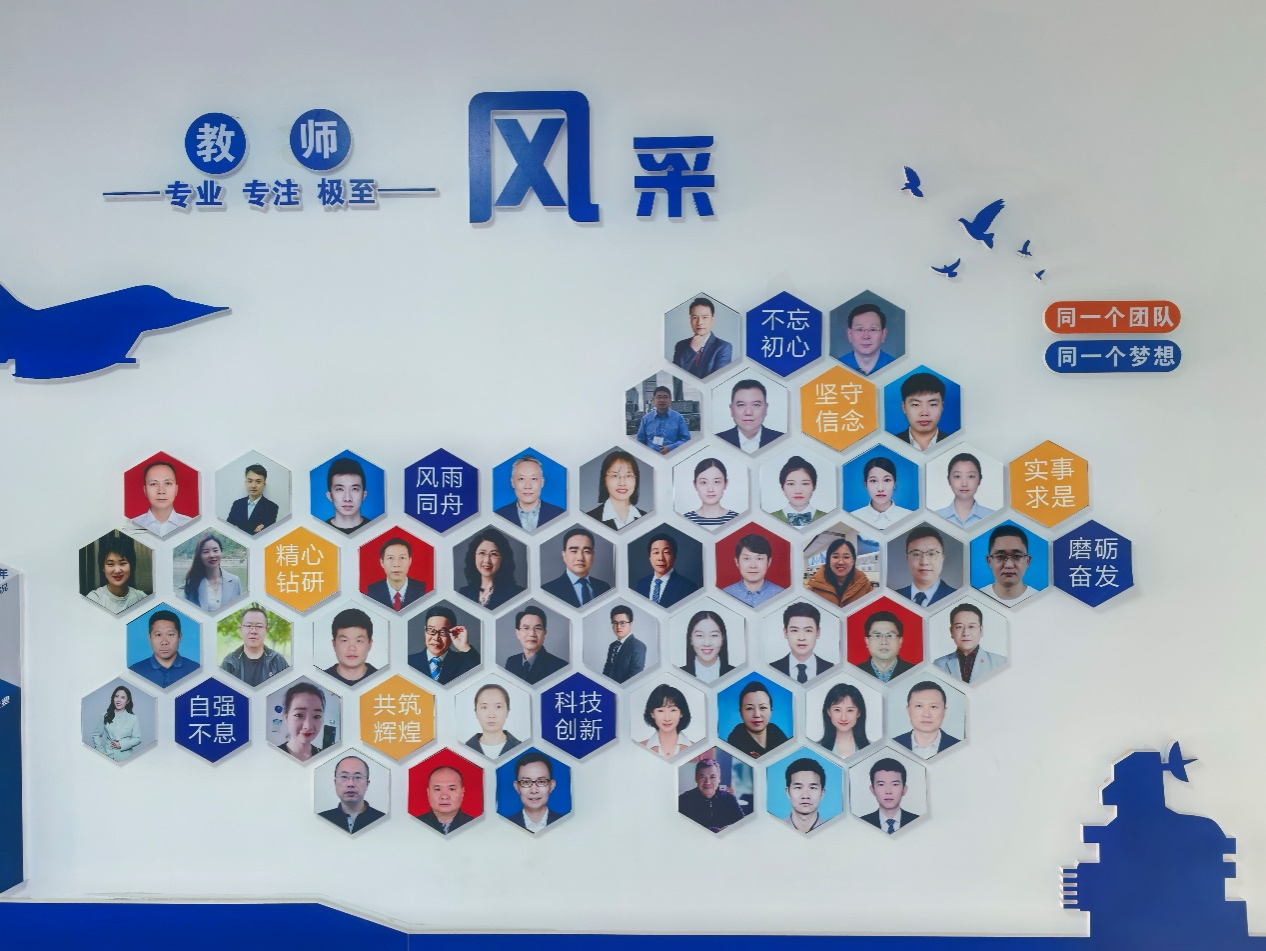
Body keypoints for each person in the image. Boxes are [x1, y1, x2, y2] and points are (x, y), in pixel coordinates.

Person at [933, 601, 1007, 683]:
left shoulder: (1001, 662)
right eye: (959, 627)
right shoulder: (939, 664)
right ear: (951, 631)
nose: (966, 633)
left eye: (971, 626)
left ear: (981, 630)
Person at [407, 605, 480, 684]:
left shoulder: (465, 663)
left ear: (452, 633)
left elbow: (482, 673)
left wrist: (464, 647)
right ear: (425, 630)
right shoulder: (408, 662)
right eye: (431, 630)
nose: (436, 638)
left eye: (443, 632)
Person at [219, 605, 290, 686]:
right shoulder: (230, 662)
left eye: (259, 626)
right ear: (241, 630)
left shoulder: (277, 660)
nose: (253, 631)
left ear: (266, 630)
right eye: (248, 626)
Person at [457, 527, 525, 610]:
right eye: (482, 553)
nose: (487, 560)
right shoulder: (464, 593)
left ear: (503, 558)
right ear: (474, 556)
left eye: (494, 554)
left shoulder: (516, 594)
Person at [128, 609, 200, 688]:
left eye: (170, 634)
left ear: (179, 637)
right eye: (158, 635)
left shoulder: (196, 670)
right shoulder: (134, 671)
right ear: (150, 637)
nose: (164, 642)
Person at [541, 527, 612, 607]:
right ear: (564, 555)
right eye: (574, 551)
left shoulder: (604, 587)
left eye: (586, 551)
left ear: (593, 555)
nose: (580, 558)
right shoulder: (547, 590)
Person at [494, 454, 565, 532]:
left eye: (533, 479)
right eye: (521, 479)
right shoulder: (498, 516)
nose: (527, 486)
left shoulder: (560, 514)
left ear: (542, 482)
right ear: (513, 482)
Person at [84, 531, 149, 614]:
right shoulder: (95, 599)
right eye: (110, 564)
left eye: (122, 563)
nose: (117, 570)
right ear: (103, 568)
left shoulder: (141, 598)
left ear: (131, 566)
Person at [894, 680, 961, 759]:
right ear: (908, 710)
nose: (926, 715)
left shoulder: (960, 747)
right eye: (919, 706)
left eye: (933, 707)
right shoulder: (893, 745)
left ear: (944, 711)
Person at [318, 755, 385, 834]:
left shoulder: (383, 820)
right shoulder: (320, 820)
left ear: (367, 784)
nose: (351, 784)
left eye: (357, 777)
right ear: (335, 782)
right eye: (344, 777)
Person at [770, 601, 834, 683]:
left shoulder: (831, 669)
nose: (801, 638)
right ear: (785, 632)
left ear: (818, 632)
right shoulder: (772, 669)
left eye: (808, 630)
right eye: (794, 630)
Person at [894, 525, 957, 607]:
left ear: (942, 558)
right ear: (907, 559)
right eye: (916, 554)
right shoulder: (893, 597)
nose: (924, 562)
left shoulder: (958, 597)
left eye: (931, 554)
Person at [677, 756, 745, 832]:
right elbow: (678, 829)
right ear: (696, 778)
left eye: (712, 777)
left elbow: (742, 825)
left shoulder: (729, 798)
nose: (708, 782)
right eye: (702, 777)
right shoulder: (684, 800)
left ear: (719, 778)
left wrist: (730, 828)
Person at [671, 296, 733, 378]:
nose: (700, 322)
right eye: (695, 317)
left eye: (705, 317)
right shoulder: (680, 345)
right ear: (690, 320)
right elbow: (675, 376)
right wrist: (691, 350)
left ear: (712, 320)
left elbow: (719, 378)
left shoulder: (723, 347)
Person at [724, 680, 789, 758]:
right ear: (741, 712)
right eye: (749, 708)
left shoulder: (777, 733)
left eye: (763, 707)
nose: (757, 715)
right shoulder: (733, 744)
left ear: (771, 710)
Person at [503, 606, 567, 685]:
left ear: (544, 633)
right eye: (526, 628)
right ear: (517, 633)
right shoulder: (511, 662)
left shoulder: (560, 667)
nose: (532, 634)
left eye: (537, 628)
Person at [181, 531, 242, 613]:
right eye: (206, 552)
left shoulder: (235, 581)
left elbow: (239, 610)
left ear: (221, 552)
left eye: (215, 550)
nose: (212, 555)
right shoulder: (192, 583)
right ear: (199, 556)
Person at [633, 532, 700, 607]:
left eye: (666, 552)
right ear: (650, 557)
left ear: (674, 557)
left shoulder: (688, 587)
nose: (661, 558)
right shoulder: (642, 584)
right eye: (656, 552)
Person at [716, 379, 783, 452]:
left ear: (766, 409)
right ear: (732, 409)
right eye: (741, 405)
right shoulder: (717, 441)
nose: (748, 412)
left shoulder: (782, 440)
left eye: (756, 405)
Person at [804, 537, 872, 608]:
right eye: (835, 557)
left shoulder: (865, 585)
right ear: (829, 560)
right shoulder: (814, 587)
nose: (841, 562)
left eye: (846, 557)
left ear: (853, 561)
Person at [849, 457, 914, 529]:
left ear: (894, 483)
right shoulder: (852, 519)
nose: (880, 489)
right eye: (873, 481)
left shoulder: (911, 518)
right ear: (865, 484)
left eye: (887, 480)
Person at [721, 533, 784, 608]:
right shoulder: (723, 595)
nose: (753, 566)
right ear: (737, 562)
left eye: (759, 558)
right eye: (746, 559)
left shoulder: (782, 595)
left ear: (769, 562)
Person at [586, 449, 644, 530]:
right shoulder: (588, 519)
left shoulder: (647, 518)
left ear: (636, 480)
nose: (622, 483)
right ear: (604, 480)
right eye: (615, 476)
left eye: (628, 476)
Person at [132, 460, 192, 537]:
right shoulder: (131, 526)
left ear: (176, 489)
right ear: (145, 490)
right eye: (153, 484)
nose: (161, 491)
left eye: (168, 483)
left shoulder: (191, 525)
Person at [365, 536, 427, 611]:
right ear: (382, 562)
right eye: (390, 558)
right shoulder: (370, 592)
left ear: (410, 561)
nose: (396, 564)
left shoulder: (424, 589)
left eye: (402, 558)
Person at [507, 750, 563, 832]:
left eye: (541, 782)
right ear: (517, 787)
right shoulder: (505, 825)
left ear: (551, 785)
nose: (534, 790)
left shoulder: (566, 823)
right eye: (526, 782)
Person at [934, 452, 994, 527]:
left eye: (971, 476)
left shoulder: (994, 518)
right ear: (949, 480)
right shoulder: (935, 518)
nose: (964, 484)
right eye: (957, 476)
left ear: (979, 480)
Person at [861, 757, 919, 833]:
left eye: (895, 784)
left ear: (904, 789)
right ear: (872, 789)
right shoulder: (861, 823)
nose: (888, 791)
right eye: (881, 784)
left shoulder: (919, 822)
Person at [464, 683, 522, 759]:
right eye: (484, 707)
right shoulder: (462, 750)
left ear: (507, 711)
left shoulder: (522, 748)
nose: (491, 715)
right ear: (476, 712)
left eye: (498, 707)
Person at [854, 610, 914, 683]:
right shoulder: (853, 673)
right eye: (877, 636)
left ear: (900, 641)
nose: (884, 642)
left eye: (890, 635)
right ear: (867, 641)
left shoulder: (915, 672)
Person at [983, 524, 1037, 607]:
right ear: (989, 561)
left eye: (1017, 556)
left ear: (1027, 561)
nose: (1009, 565)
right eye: (1000, 556)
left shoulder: (1041, 600)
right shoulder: (975, 598)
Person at [894, 372, 948, 451]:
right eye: (915, 405)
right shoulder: (891, 444)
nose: (924, 413)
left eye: (933, 404)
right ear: (904, 407)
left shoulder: (955, 443)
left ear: (942, 406)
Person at [323, 607, 377, 686]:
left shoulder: (383, 680)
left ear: (370, 644)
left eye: (359, 641)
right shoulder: (321, 680)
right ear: (334, 644)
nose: (352, 648)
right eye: (344, 640)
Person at [838, 303, 895, 376]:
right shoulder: (835, 366)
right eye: (859, 329)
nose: (866, 336)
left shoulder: (897, 366)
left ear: (883, 334)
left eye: (873, 329)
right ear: (849, 334)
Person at [769, 456, 827, 527]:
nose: (798, 491)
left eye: (805, 483)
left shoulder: (828, 518)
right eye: (791, 484)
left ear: (814, 486)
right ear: (782, 487)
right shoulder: (768, 518)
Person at [682, 457, 739, 528]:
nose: (710, 489)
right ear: (695, 484)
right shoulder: (684, 520)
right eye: (703, 482)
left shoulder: (739, 519)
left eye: (716, 482)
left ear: (725, 484)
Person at [817, 682, 871, 758]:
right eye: (837, 710)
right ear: (828, 712)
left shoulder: (873, 750)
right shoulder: (815, 750)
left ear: (858, 713)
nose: (843, 718)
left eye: (850, 710)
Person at [639, 683, 693, 758]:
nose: (667, 718)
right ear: (652, 714)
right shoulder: (638, 749)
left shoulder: (700, 750)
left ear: (681, 713)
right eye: (661, 711)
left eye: (673, 710)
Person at [680, 610, 735, 684]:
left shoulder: (737, 674)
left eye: (714, 635)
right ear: (691, 639)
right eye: (699, 635)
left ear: (722, 638)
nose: (707, 643)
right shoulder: (678, 674)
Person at [417, 765, 474, 834]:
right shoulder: (413, 825)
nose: (444, 796)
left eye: (451, 789)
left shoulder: (477, 825)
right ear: (428, 793)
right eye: (437, 789)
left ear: (462, 792)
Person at [635, 385, 691, 456]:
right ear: (653, 400)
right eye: (659, 397)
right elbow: (640, 441)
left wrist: (671, 447)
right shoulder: (646, 418)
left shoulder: (678, 418)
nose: (662, 400)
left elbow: (686, 439)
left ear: (670, 400)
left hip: (673, 456)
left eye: (665, 397)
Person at [278, 681, 326, 762]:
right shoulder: (272, 755)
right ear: (286, 719)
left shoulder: (325, 758)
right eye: (299, 715)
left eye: (317, 716)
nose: (308, 726)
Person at [90, 685, 141, 762]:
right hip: (108, 757)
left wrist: (121, 744)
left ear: (127, 701)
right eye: (116, 696)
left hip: (127, 758)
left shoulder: (133, 718)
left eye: (123, 697)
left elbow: (137, 739)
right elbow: (96, 734)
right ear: (113, 699)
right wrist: (101, 752)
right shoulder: (105, 715)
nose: (119, 700)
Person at [226, 463, 279, 535]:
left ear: (264, 484)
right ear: (245, 483)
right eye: (250, 481)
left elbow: (264, 534)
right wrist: (253, 532)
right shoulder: (237, 504)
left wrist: (239, 529)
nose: (253, 486)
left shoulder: (272, 507)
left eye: (258, 482)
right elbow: (229, 529)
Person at [324, 457, 370, 534]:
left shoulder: (378, 530)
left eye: (354, 489)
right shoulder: (318, 532)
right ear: (329, 496)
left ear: (364, 495)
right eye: (339, 489)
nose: (347, 498)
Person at [602, 605, 646, 683]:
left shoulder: (638, 646)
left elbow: (635, 676)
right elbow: (606, 671)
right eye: (615, 623)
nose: (618, 627)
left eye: (622, 623)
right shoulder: (612, 646)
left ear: (630, 624)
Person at [783, 758, 827, 833]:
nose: (805, 796)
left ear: (822, 793)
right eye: (798, 787)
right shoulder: (774, 829)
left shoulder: (833, 830)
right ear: (788, 792)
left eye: (813, 788)